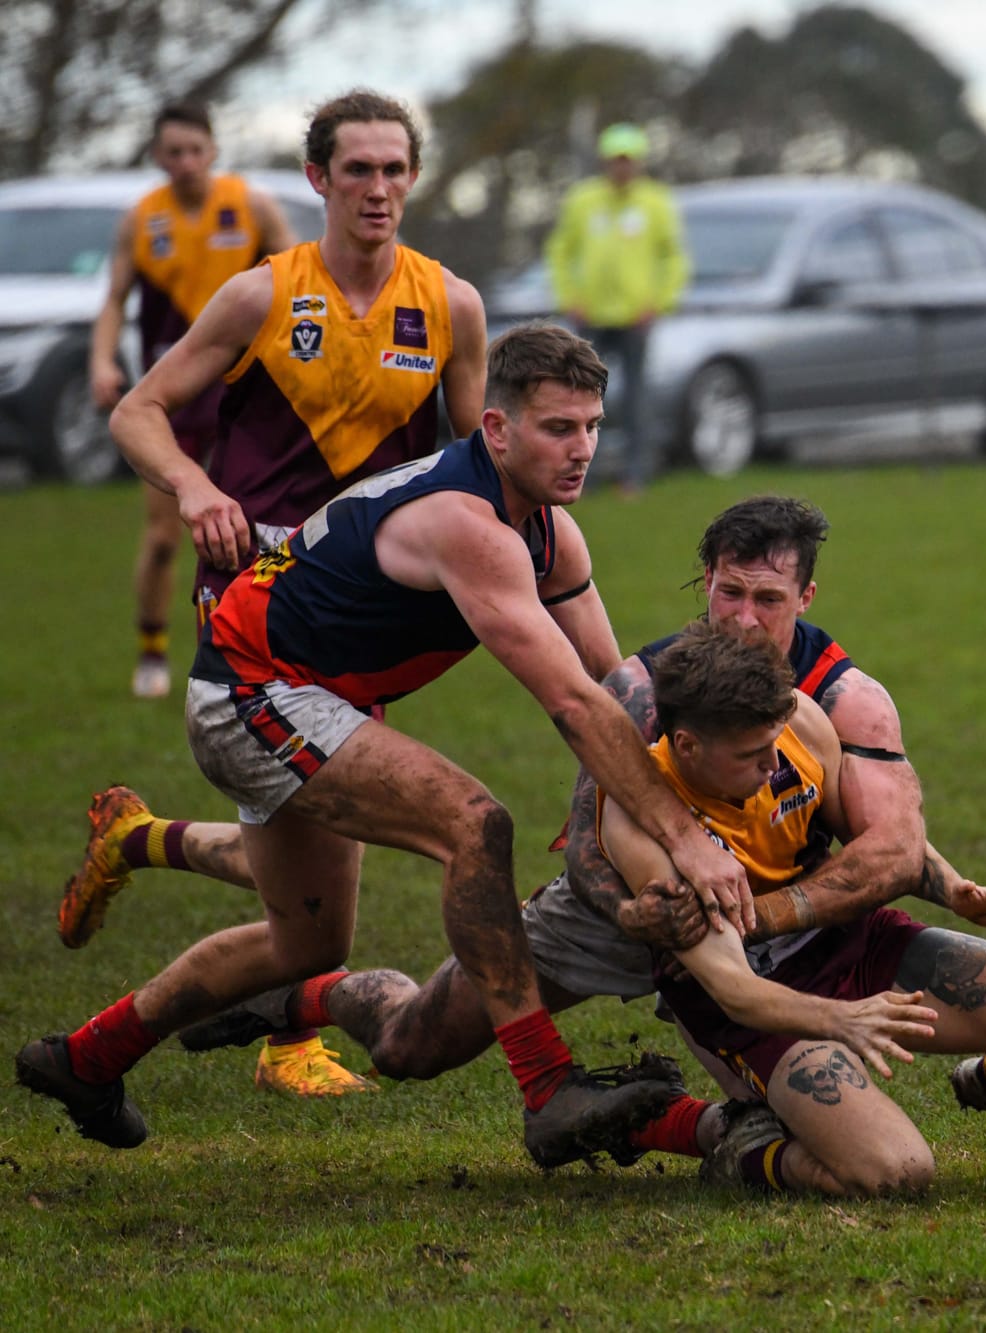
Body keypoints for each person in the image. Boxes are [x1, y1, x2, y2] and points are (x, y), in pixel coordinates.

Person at [16, 323, 755, 1169]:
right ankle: (548, 1087)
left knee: (306, 945)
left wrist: (708, 762)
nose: (582, 448)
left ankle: (85, 1059)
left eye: (592, 426)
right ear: (496, 429)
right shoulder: (467, 525)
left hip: (312, 694)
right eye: (559, 428)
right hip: (250, 691)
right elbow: (572, 704)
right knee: (474, 823)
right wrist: (687, 840)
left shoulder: (550, 533)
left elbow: (615, 685)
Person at [62, 495, 986, 1111]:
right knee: (411, 1043)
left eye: (768, 600)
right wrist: (636, 913)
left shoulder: (840, 700)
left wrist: (946, 885)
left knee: (780, 1084)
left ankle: (732, 1118)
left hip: (740, 939)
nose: (743, 618)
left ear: (807, 599)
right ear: (704, 582)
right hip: (608, 922)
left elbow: (885, 838)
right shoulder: (645, 690)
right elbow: (583, 847)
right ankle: (304, 995)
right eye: (727, 593)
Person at [175, 620, 986, 1195]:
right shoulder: (645, 830)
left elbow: (869, 832)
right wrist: (843, 1020)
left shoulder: (796, 725)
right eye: (749, 758)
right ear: (686, 746)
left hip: (847, 944)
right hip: (753, 1001)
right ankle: (740, 1142)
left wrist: (951, 884)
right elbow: (733, 991)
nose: (772, 767)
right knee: (897, 1174)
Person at [82, 89, 489, 1098]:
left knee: (302, 843)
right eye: (358, 169)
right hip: (256, 597)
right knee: (317, 837)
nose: (378, 189)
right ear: (318, 178)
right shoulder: (262, 296)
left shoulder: (451, 305)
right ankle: (285, 1044)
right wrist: (193, 486)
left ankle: (140, 842)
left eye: (394, 170)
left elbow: (482, 463)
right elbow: (138, 412)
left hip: (364, 604)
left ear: (414, 179)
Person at [90, 102, 296, 698]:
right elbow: (113, 301)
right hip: (173, 396)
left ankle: (264, 649)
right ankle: (152, 649)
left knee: (258, 530)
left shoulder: (252, 206)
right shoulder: (141, 219)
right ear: (158, 156)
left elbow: (303, 281)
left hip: (245, 393)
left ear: (213, 150)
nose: (185, 162)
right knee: (163, 537)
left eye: (194, 150)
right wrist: (102, 361)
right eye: (173, 152)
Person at [544, 123, 687, 492]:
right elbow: (560, 251)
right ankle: (582, 471)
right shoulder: (583, 200)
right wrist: (569, 298)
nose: (622, 167)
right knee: (583, 397)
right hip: (590, 317)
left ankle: (636, 472)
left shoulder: (655, 202)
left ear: (638, 162)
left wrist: (658, 303)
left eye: (628, 160)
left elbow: (673, 257)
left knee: (637, 395)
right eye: (616, 160)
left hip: (635, 318)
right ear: (605, 161)